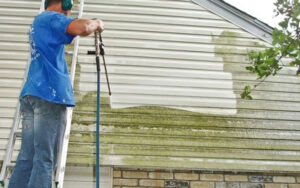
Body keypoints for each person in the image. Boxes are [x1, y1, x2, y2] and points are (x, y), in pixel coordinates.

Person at [8, 0, 104, 187]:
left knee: (28, 157)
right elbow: (84, 27)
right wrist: (97, 22)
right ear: (64, 3)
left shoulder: (40, 21)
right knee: (45, 159)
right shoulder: (52, 18)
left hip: (33, 94)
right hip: (49, 97)